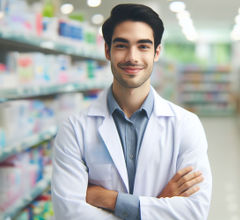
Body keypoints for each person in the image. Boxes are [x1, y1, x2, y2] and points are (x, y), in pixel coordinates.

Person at [51, 3, 212, 220]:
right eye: (121, 45)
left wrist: (109, 199)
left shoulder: (186, 125)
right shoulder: (74, 128)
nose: (132, 57)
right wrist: (159, 202)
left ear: (157, 52)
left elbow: (194, 212)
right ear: (107, 50)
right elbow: (69, 213)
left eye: (143, 46)